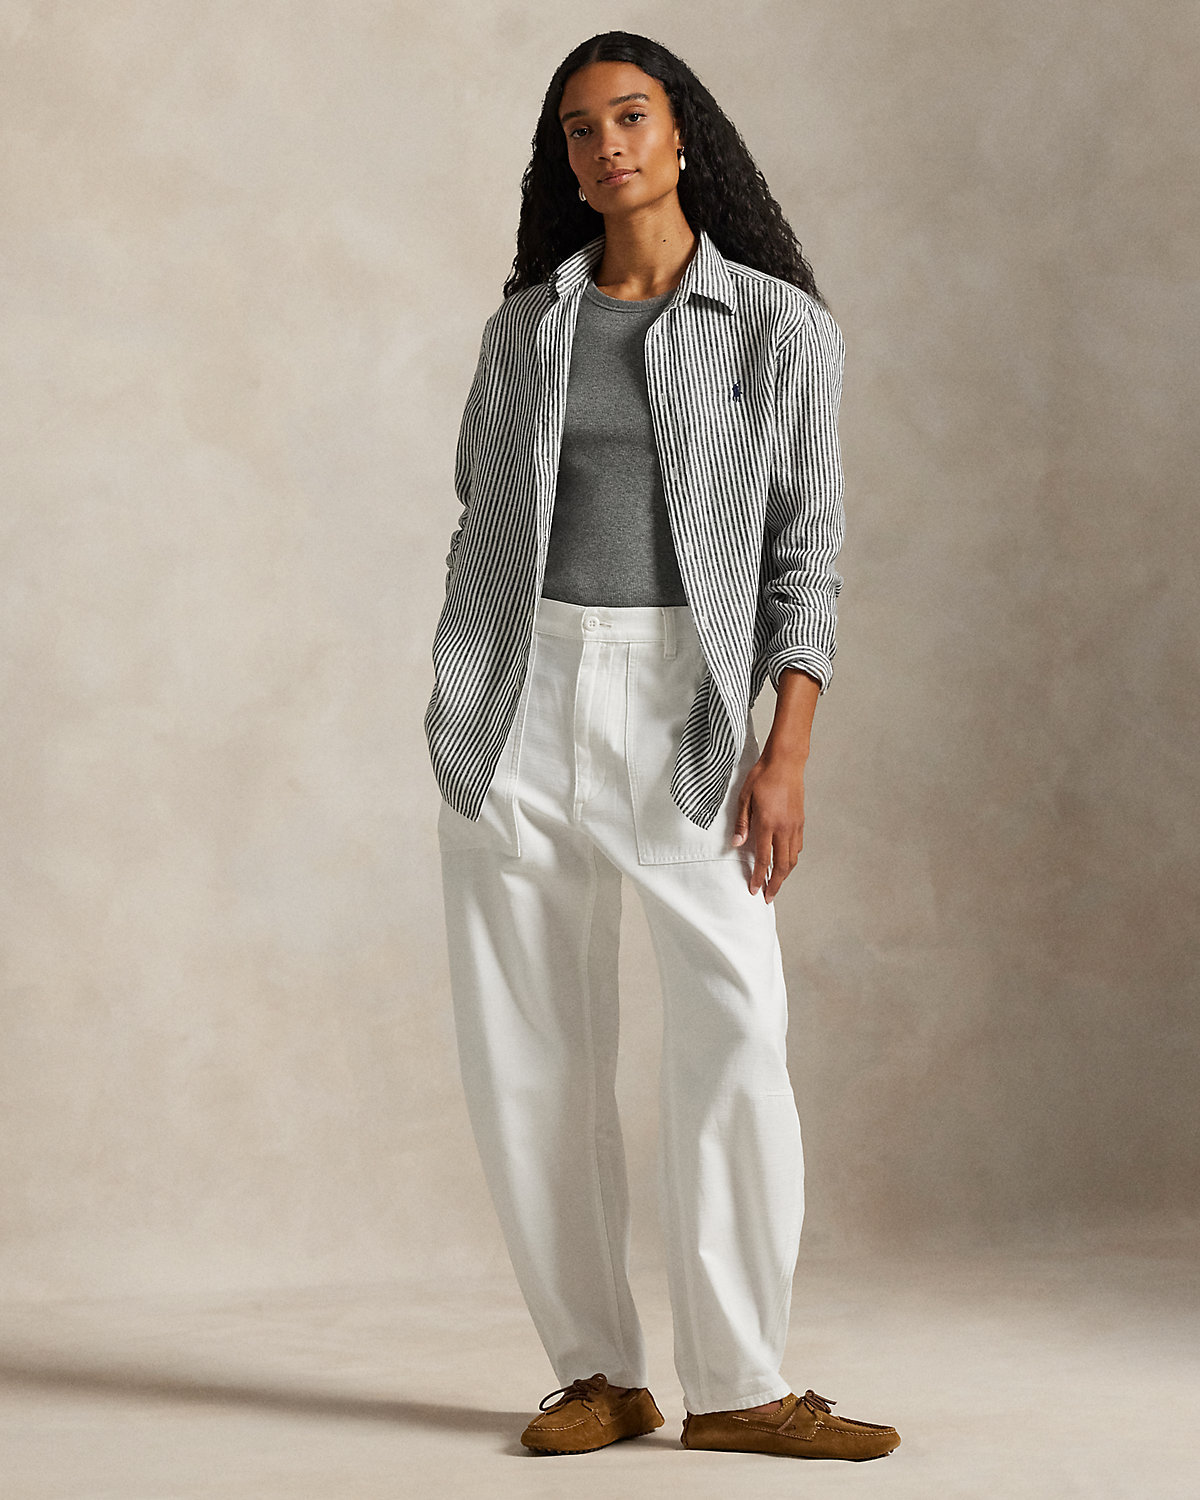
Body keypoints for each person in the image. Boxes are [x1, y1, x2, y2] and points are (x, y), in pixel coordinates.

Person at [424, 30, 901, 1462]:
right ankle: (598, 1372)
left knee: (733, 1031)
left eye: (629, 117)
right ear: (562, 160)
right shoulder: (527, 330)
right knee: (529, 1053)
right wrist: (463, 685)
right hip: (518, 698)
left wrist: (785, 750)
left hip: (682, 702)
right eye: (578, 130)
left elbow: (806, 554)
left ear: (682, 133)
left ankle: (741, 1382)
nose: (606, 146)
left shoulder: (779, 329)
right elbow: (479, 513)